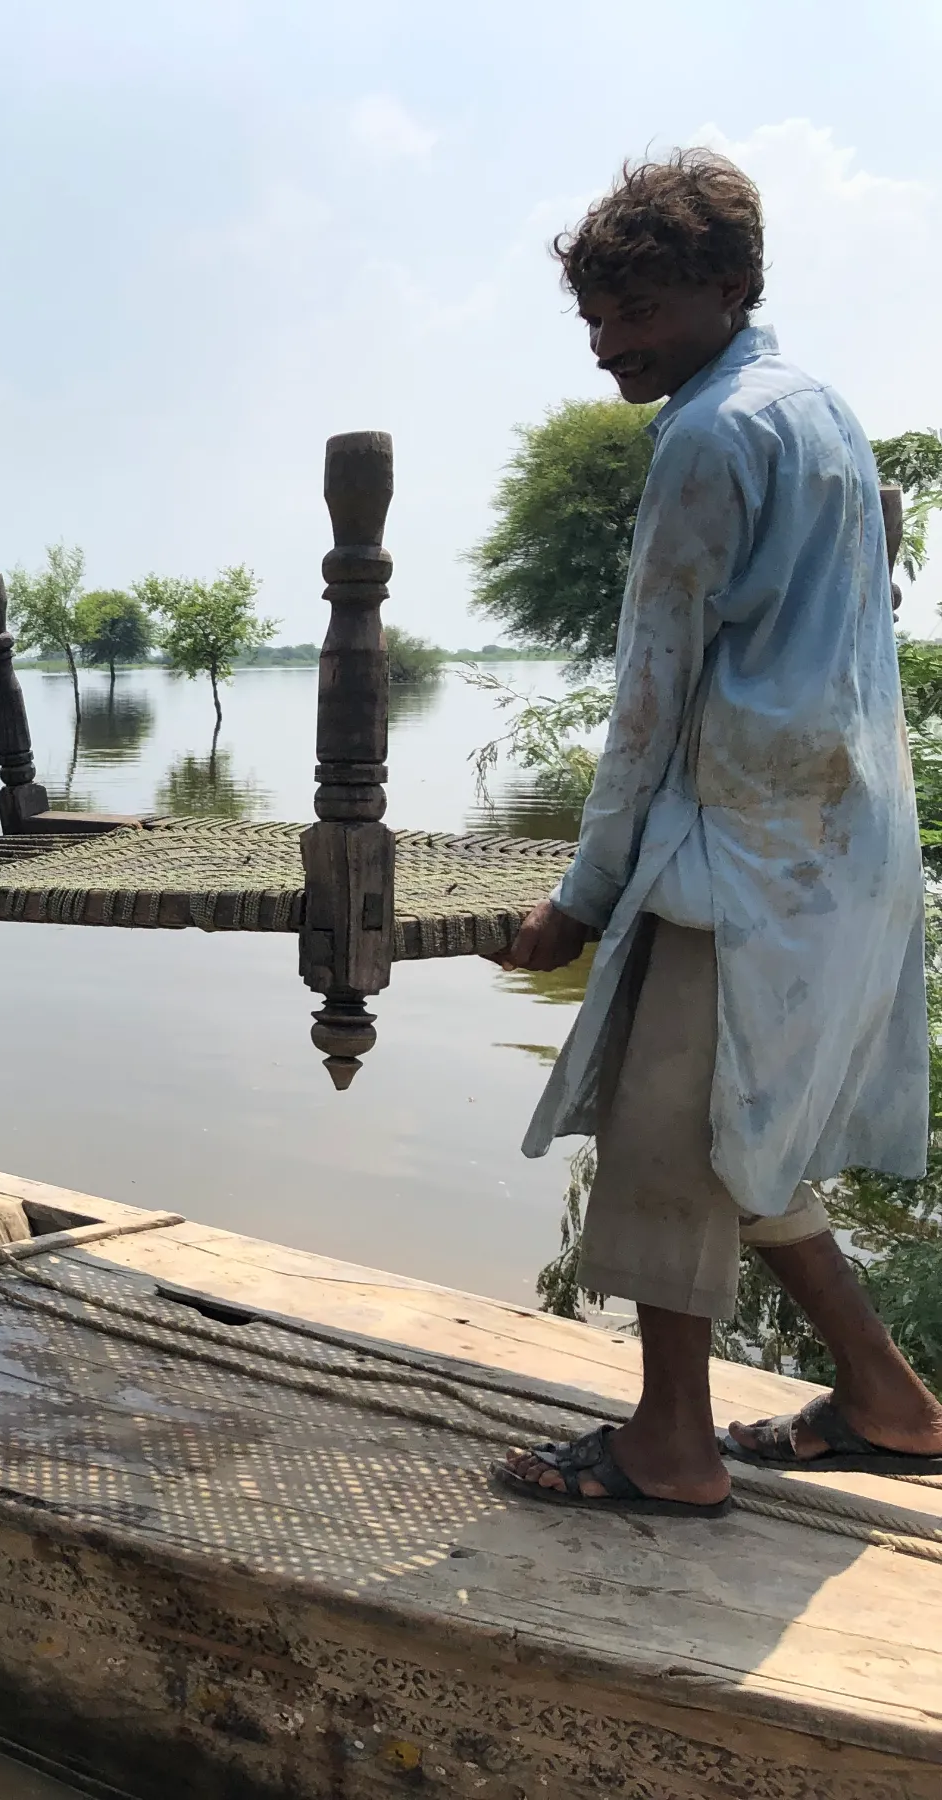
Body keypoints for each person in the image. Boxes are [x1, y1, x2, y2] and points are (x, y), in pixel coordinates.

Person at [496, 150, 942, 1515]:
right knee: (746, 1142)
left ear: (732, 288)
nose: (609, 348)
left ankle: (671, 1448)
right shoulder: (820, 412)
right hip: (836, 850)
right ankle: (892, 1400)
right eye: (594, 321)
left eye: (635, 315)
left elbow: (653, 694)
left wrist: (579, 898)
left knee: (666, 1147)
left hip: (733, 859)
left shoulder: (706, 433)